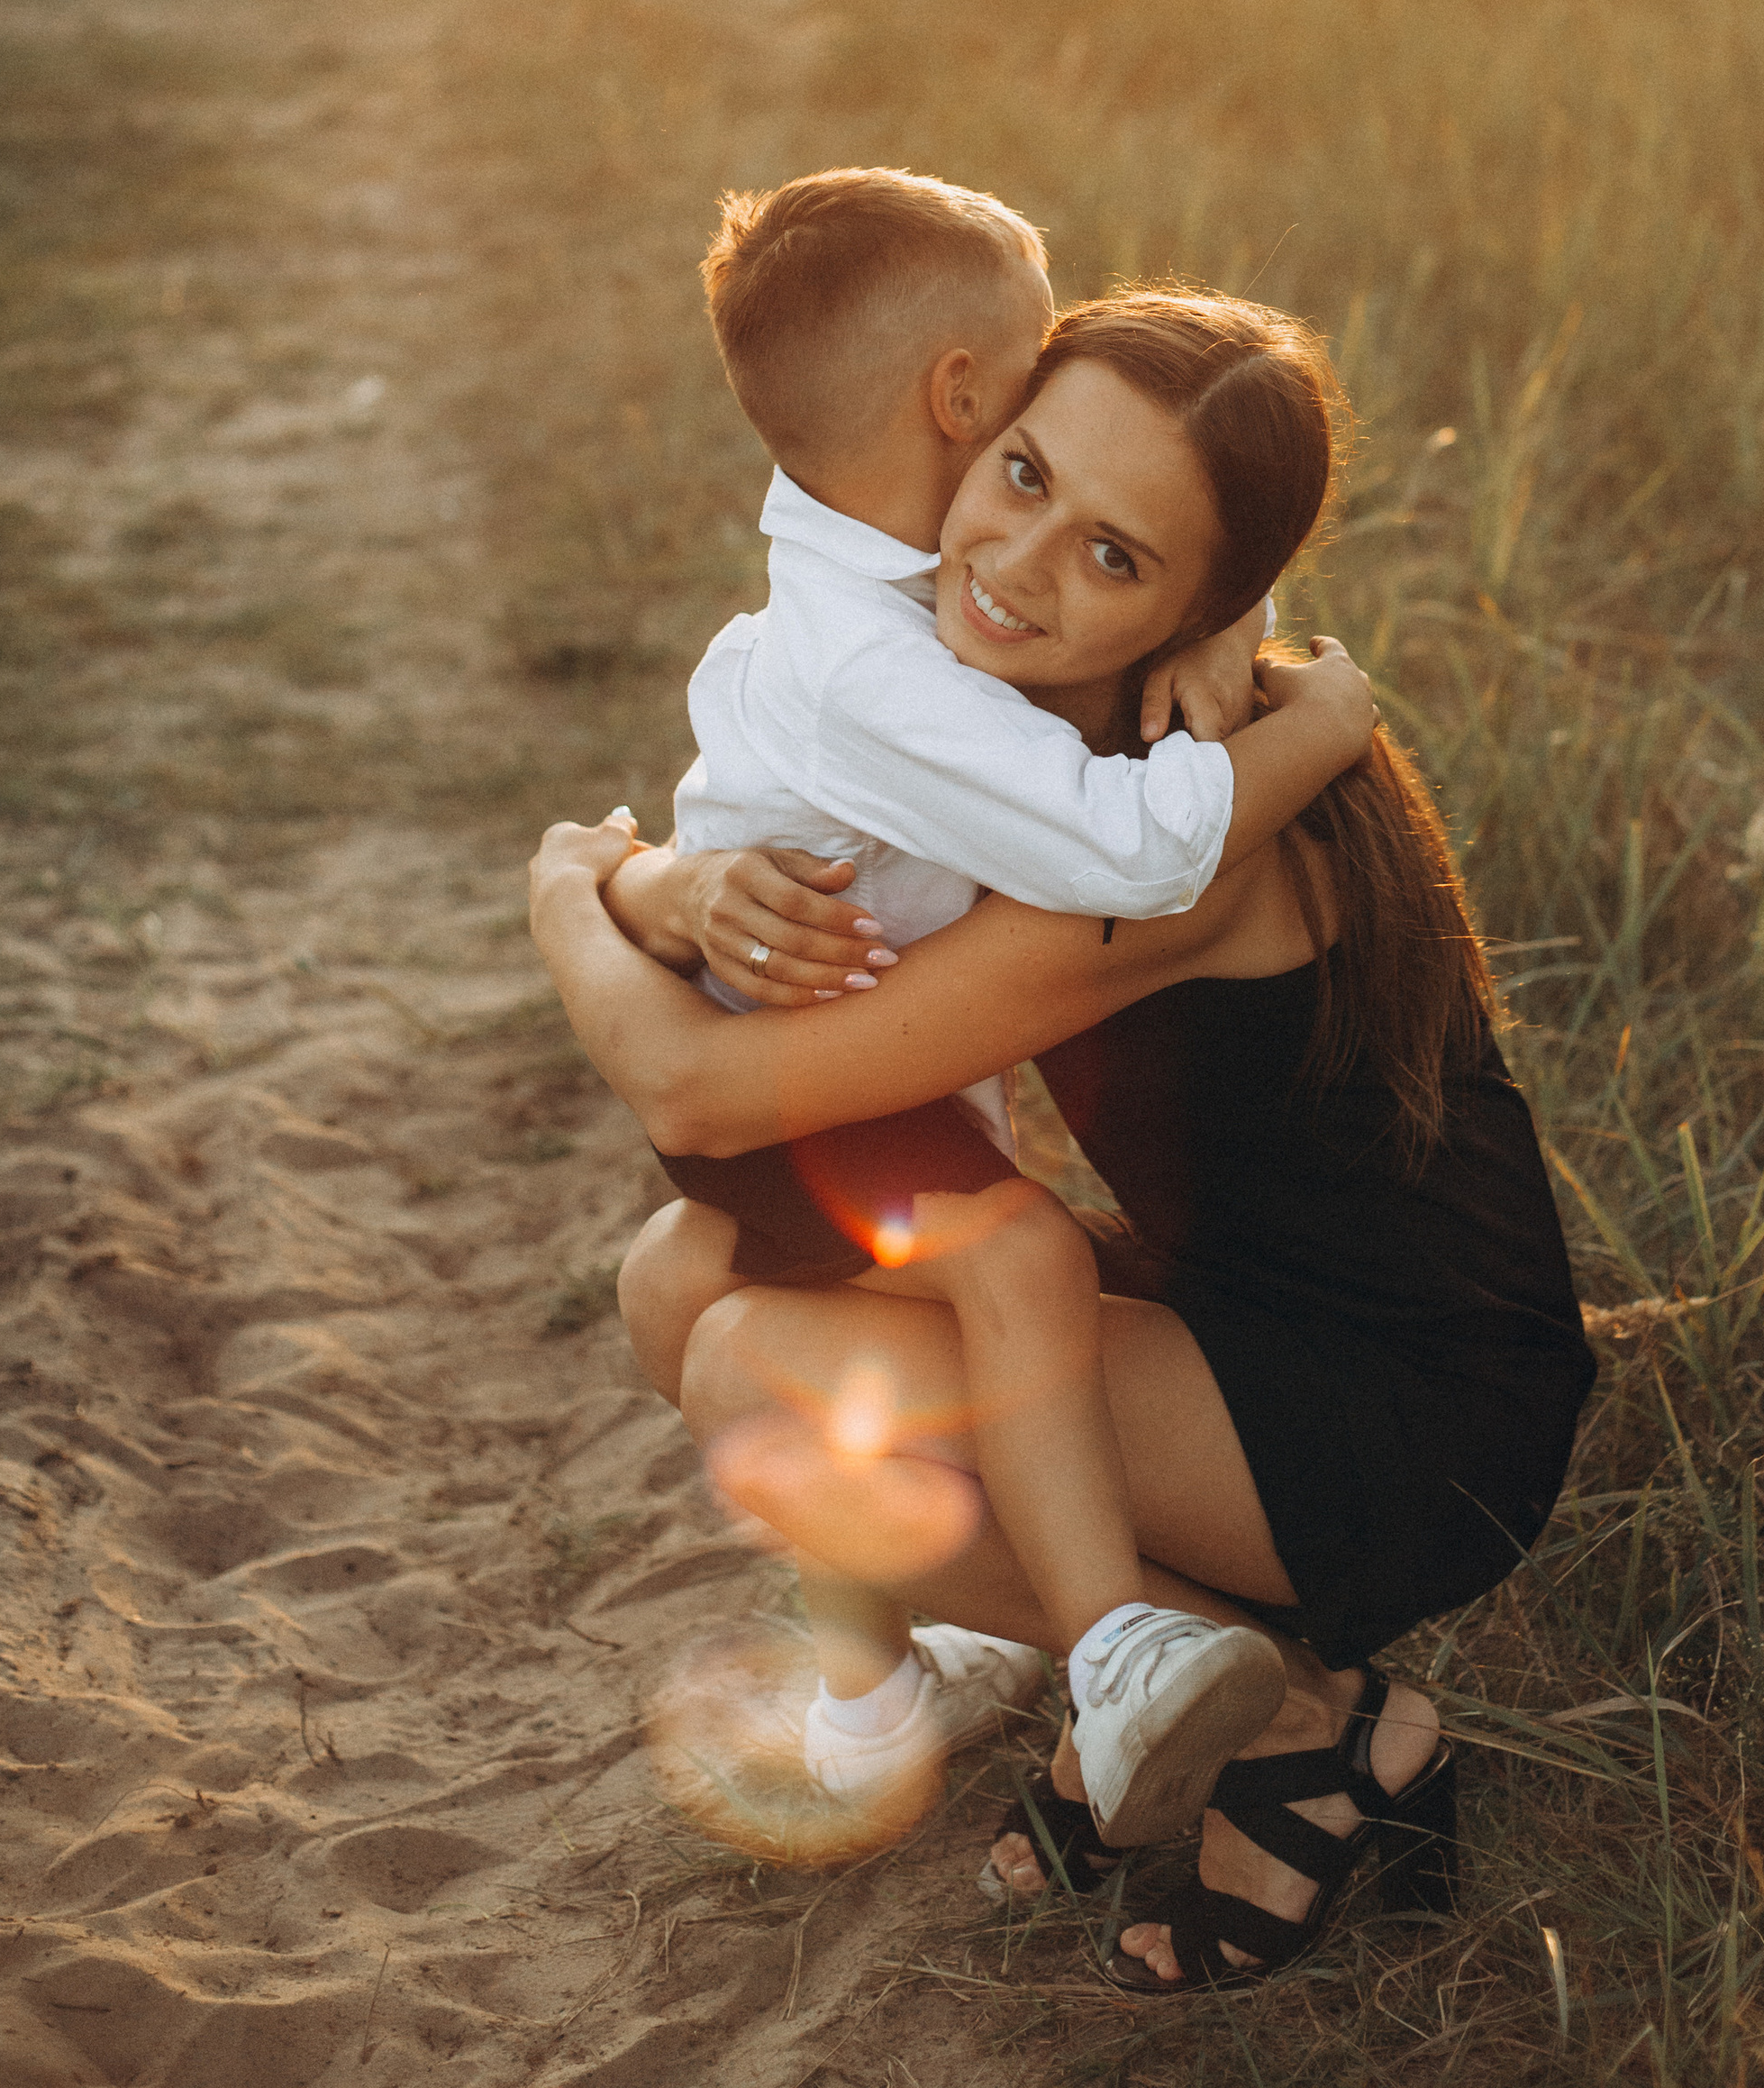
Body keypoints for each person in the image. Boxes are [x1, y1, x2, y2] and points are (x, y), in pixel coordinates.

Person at [532, 287, 1598, 1992]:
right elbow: (774, 881)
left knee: (752, 1366)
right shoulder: (1030, 742)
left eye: (1115, 557)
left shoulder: (1171, 838)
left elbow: (704, 1097)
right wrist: (676, 883)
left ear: (1208, 606)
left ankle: (1317, 1725)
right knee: (685, 1279)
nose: (1021, 567)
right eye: (1022, 475)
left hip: (1404, 1404)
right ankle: (1131, 1655)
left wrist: (568, 899)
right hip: (1236, 1317)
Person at [602, 172, 1382, 1839]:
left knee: (772, 1299)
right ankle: (1116, 1652)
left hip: (807, 1057)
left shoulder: (862, 570)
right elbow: (1136, 843)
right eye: (1024, 421)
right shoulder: (878, 666)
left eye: (1105, 541)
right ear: (961, 398)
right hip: (789, 1075)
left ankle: (879, 1698)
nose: (1037, 526)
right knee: (1007, 1265)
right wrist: (1332, 712)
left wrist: (1232, 604)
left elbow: (1144, 521)